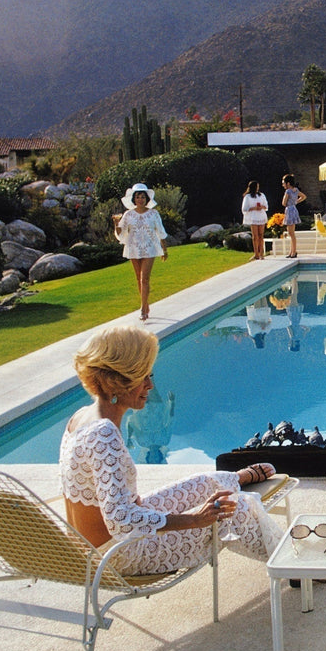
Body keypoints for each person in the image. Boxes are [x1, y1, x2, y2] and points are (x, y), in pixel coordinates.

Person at [60, 325, 282, 576]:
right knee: (236, 508)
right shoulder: (104, 433)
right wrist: (195, 519)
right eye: (143, 377)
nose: (150, 386)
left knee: (204, 483)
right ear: (119, 382)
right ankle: (291, 564)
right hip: (119, 554)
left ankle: (235, 478)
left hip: (95, 545)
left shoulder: (80, 418)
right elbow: (120, 519)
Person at [112, 183, 168, 321]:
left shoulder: (153, 214)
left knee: (145, 278)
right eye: (138, 196)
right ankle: (145, 303)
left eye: (143, 197)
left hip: (149, 248)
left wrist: (164, 249)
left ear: (146, 198)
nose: (140, 199)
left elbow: (160, 232)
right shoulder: (128, 214)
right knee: (138, 278)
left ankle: (143, 309)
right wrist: (115, 223)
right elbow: (121, 233)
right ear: (134, 199)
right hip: (133, 248)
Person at [241, 180, 269, 261]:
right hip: (253, 217)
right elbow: (245, 208)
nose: (258, 188)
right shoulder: (248, 197)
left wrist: (262, 207)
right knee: (255, 236)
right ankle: (256, 253)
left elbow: (266, 206)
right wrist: (254, 208)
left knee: (261, 235)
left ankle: (261, 253)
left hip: (261, 216)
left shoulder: (262, 195)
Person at [280, 174, 306, 258]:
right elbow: (303, 196)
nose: (283, 185)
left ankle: (293, 251)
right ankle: (292, 251)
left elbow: (284, 203)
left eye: (284, 183)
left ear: (288, 183)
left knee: (291, 233)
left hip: (289, 210)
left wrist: (291, 202)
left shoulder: (288, 191)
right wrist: (296, 202)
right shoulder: (296, 190)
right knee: (292, 233)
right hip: (294, 209)